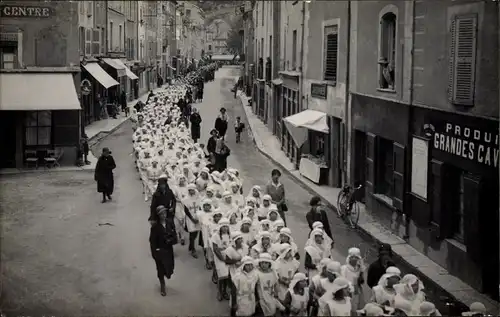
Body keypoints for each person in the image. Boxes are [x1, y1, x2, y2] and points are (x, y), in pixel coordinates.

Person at [149, 205, 177, 296]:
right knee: (160, 269)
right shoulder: (155, 227)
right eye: (161, 214)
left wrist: (171, 240)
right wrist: (154, 252)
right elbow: (152, 241)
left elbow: (174, 235)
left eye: (164, 213)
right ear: (158, 215)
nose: (163, 215)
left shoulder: (170, 222)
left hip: (168, 249)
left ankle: (167, 273)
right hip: (160, 250)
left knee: (169, 268)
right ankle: (162, 285)